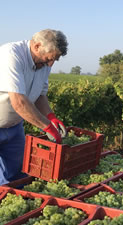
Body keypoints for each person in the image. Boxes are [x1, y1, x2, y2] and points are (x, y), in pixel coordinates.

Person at [0, 29, 68, 185]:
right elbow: (19, 102)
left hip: (14, 127)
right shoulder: (11, 55)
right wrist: (47, 127)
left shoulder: (44, 63)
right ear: (37, 46)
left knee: (16, 176)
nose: (50, 64)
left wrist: (51, 117)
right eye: (48, 59)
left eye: (54, 60)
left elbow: (40, 95)